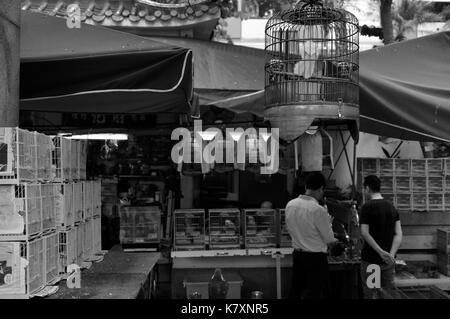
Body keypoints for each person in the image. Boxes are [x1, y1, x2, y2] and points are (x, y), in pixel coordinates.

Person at [285, 172, 337, 299]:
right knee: (314, 293)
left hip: (298, 255)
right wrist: (330, 229)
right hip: (316, 259)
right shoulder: (318, 210)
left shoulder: (290, 204)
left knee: (296, 291)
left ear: (306, 187)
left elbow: (290, 228)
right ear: (320, 189)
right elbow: (330, 239)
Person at [360, 175, 403, 299]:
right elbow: (399, 233)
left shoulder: (367, 207)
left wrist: (380, 252)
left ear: (367, 188)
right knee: (387, 295)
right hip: (388, 263)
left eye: (364, 189)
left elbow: (364, 232)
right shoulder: (391, 207)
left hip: (371, 261)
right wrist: (390, 255)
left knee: (373, 294)